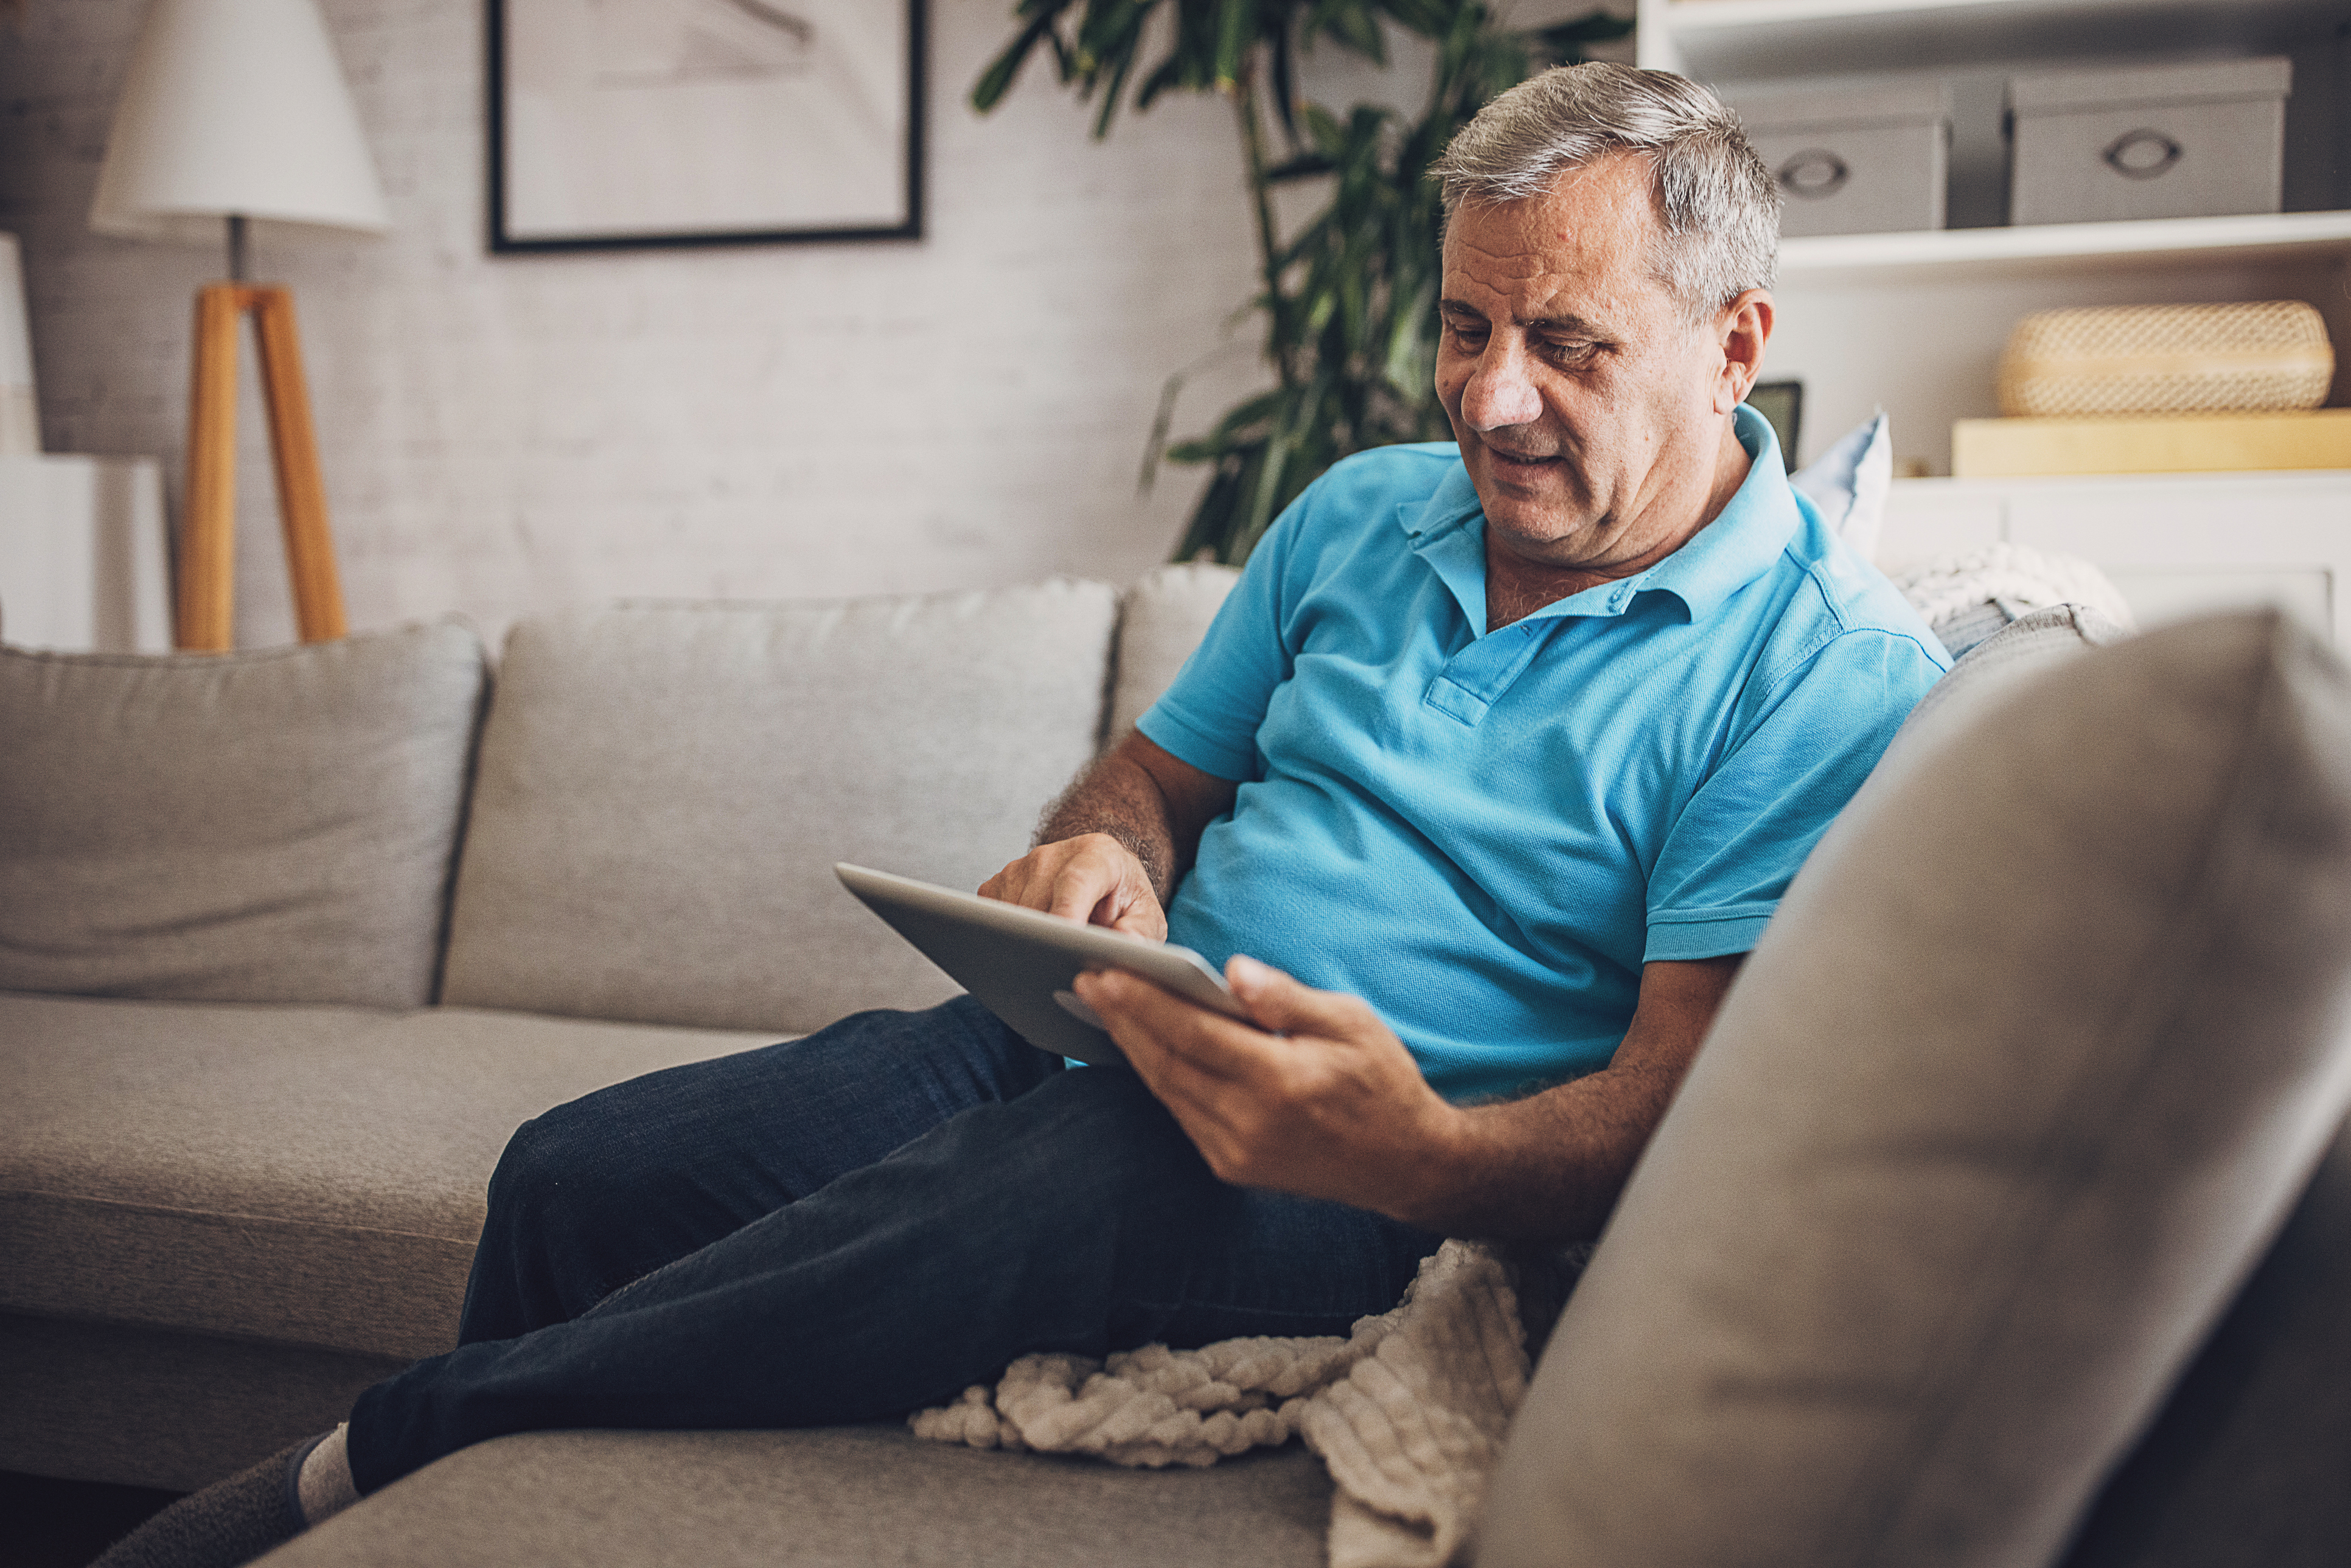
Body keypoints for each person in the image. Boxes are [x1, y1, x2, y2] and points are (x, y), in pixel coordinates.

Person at [99, 61, 1946, 1568]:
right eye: (1463, 327)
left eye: (1565, 342)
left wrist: (1411, 1150)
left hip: (1355, 1173)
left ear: (1735, 339)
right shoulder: (1362, 512)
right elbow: (1156, 774)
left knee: (1054, 1187)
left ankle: (381, 1459)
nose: (1489, 395)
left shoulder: (1820, 671)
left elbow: (1668, 1111)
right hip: (1090, 1031)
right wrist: (1110, 853)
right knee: (577, 1171)